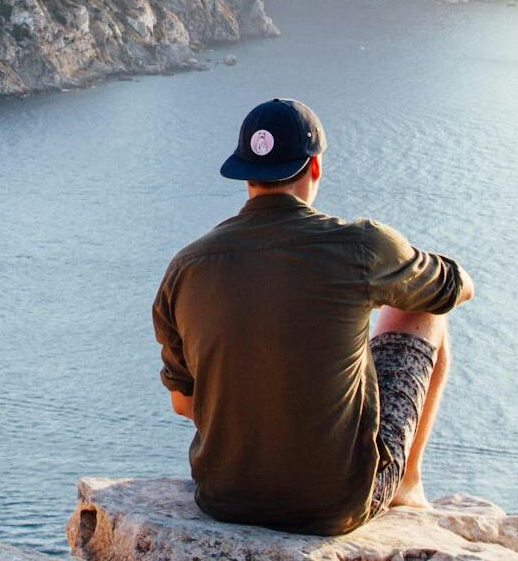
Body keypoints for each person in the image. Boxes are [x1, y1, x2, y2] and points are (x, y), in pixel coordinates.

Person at [151, 98, 474, 536]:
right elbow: (454, 288)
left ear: (246, 174)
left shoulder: (187, 267)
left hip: (224, 498)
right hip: (334, 505)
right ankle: (406, 484)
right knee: (426, 310)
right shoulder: (361, 246)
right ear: (315, 166)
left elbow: (183, 403)